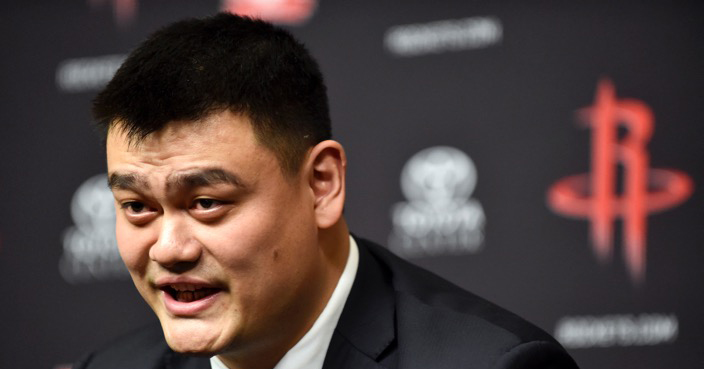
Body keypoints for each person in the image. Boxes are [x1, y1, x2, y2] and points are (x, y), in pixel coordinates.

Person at [75, 13, 579, 369]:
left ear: (322, 184)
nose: (168, 248)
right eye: (137, 207)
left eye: (206, 203)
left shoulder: (494, 365)